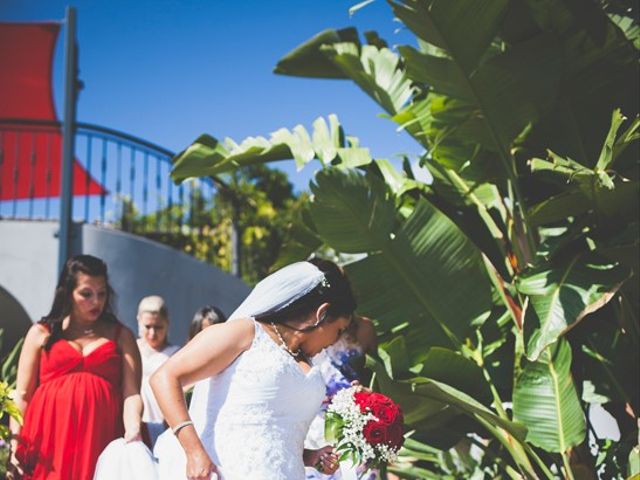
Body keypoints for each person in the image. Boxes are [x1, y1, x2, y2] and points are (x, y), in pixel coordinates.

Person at [151, 258, 358, 480]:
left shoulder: (308, 361)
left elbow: (273, 431)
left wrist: (309, 456)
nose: (336, 341)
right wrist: (193, 452)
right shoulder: (246, 333)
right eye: (338, 330)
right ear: (322, 313)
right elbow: (164, 377)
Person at [8, 254, 143, 480]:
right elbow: (22, 395)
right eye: (86, 294)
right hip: (47, 443)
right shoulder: (41, 333)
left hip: (101, 438)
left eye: (102, 293)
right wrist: (14, 447)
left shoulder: (121, 335)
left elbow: (131, 393)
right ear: (67, 292)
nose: (96, 301)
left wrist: (133, 429)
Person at [305, 315, 378, 480]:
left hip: (354, 422)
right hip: (312, 427)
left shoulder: (363, 328)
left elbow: (374, 376)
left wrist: (367, 393)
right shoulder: (297, 331)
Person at [136, 295, 180, 446]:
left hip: (167, 427)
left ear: (167, 323)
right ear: (139, 321)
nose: (152, 333)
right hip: (137, 424)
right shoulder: (131, 350)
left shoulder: (176, 354)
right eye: (147, 327)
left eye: (158, 327)